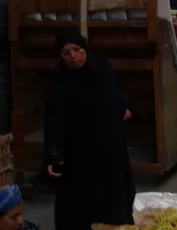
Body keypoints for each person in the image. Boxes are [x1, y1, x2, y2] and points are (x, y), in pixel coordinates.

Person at [45, 30, 134, 230]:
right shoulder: (59, 81)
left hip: (108, 148)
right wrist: (53, 154)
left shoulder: (101, 68)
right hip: (77, 152)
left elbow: (117, 92)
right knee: (78, 206)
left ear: (85, 49)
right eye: (66, 53)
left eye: (76, 50)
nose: (72, 56)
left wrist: (125, 107)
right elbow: (53, 119)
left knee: (113, 198)